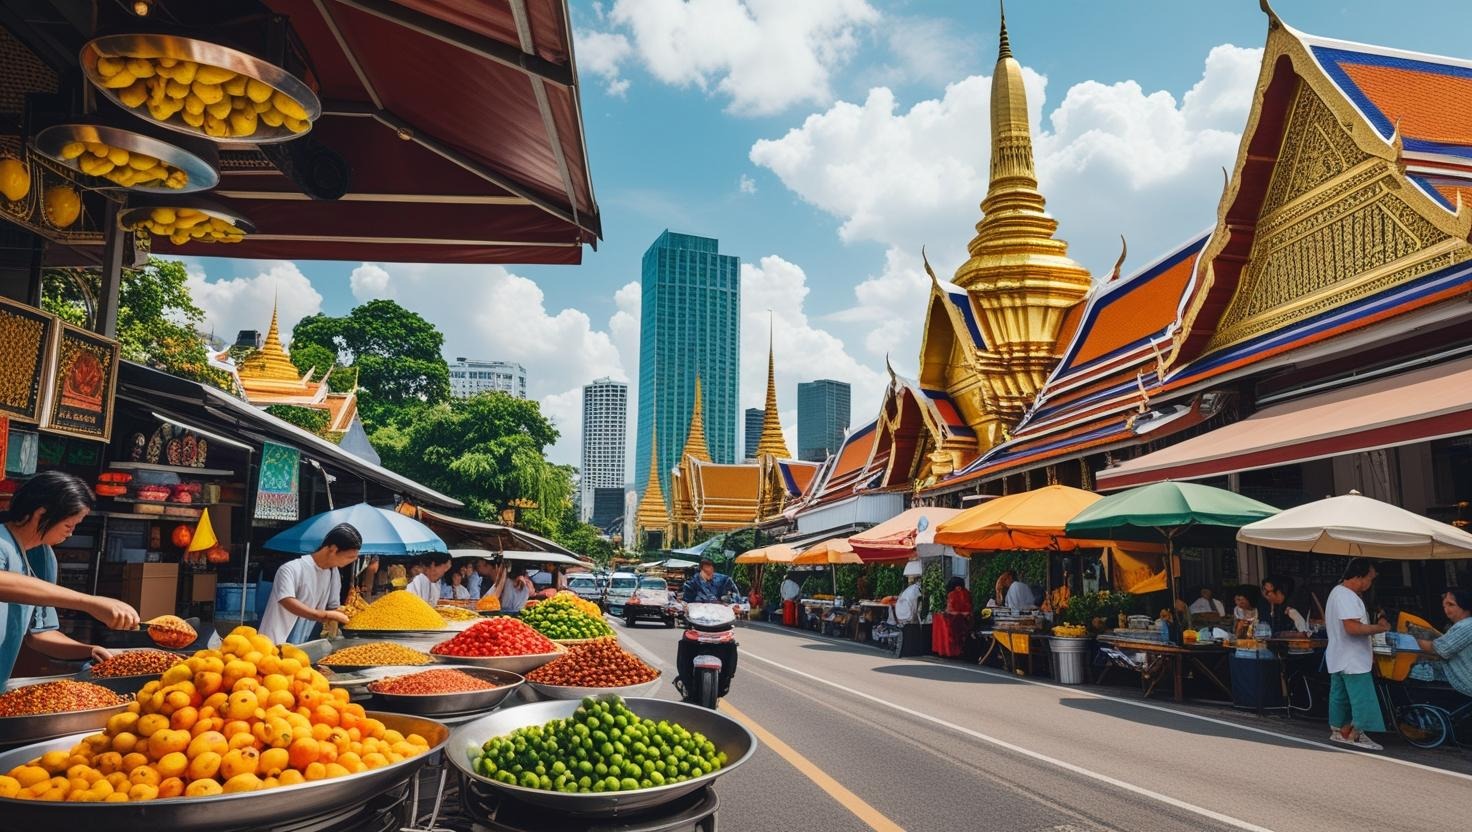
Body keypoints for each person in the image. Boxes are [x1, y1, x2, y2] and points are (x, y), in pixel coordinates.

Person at [0, 471, 139, 683]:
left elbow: (40, 635)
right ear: (40, 514)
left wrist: (90, 650)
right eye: (68, 525)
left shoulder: (43, 557)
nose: (71, 533)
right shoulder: (2, 542)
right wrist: (89, 603)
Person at [1325, 558, 1390, 750]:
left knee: (1340, 696)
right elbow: (1352, 628)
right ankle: (1356, 734)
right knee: (1361, 698)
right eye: (1370, 578)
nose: (1370, 583)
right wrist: (1379, 628)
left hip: (1338, 655)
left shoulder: (1337, 592)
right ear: (1359, 577)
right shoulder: (1347, 596)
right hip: (1352, 658)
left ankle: (1339, 731)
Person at [259, 523, 361, 644]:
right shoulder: (291, 569)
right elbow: (286, 600)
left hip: (305, 646)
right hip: (273, 644)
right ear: (333, 549)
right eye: (349, 557)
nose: (352, 561)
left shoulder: (333, 573)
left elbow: (334, 607)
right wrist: (322, 615)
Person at [1415, 588, 1472, 698]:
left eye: (1451, 605)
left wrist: (1411, 638)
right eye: (1444, 606)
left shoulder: (1466, 626)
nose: (1446, 609)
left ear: (1464, 606)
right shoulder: (1461, 625)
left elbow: (1440, 649)